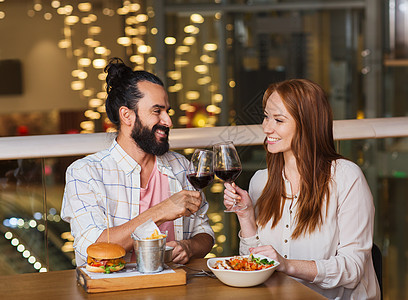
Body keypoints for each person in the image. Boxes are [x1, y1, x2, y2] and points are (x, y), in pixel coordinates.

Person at [224, 79, 380, 299]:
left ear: (308, 124)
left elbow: (353, 270)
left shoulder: (346, 177)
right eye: (266, 116)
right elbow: (255, 264)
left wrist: (287, 265)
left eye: (278, 119)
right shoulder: (261, 181)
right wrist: (246, 216)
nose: (267, 127)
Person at [62, 58, 214, 267]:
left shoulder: (182, 167)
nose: (168, 121)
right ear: (127, 115)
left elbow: (205, 233)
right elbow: (93, 248)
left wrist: (190, 247)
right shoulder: (85, 173)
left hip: (175, 286)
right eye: (156, 111)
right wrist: (161, 211)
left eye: (167, 111)